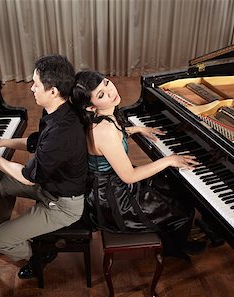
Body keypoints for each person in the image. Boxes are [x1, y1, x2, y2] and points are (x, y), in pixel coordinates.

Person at [0, 55, 87, 279]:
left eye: (36, 84)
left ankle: (38, 254)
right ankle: (13, 229)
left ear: (53, 91)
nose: (31, 88)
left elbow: (29, 177)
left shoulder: (61, 132)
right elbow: (36, 142)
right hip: (51, 184)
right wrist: (1, 142)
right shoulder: (57, 111)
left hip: (63, 205)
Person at [71, 70, 204, 257]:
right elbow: (129, 176)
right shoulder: (104, 131)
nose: (110, 91)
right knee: (181, 210)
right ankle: (174, 249)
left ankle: (173, 237)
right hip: (113, 198)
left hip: (106, 184)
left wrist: (137, 129)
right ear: (91, 107)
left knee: (172, 187)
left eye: (107, 83)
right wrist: (169, 160)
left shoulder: (102, 118)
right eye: (101, 95)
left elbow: (115, 133)